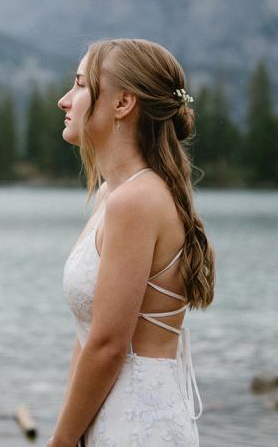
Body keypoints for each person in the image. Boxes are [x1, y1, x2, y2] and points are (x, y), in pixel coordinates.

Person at [53, 39, 215, 447]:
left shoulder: (134, 201)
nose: (63, 100)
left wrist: (58, 443)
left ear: (123, 103)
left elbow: (109, 346)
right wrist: (71, 432)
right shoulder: (114, 194)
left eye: (79, 84)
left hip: (139, 424)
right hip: (107, 416)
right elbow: (89, 334)